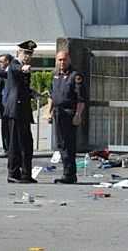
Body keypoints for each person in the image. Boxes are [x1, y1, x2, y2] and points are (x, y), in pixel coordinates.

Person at [47, 50, 86, 184]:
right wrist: (49, 111)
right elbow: (52, 96)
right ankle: (67, 172)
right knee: (61, 144)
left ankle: (69, 174)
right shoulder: (55, 75)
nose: (62, 62)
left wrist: (78, 115)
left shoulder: (75, 76)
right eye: (59, 60)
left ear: (69, 59)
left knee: (68, 145)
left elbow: (81, 99)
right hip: (58, 113)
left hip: (69, 113)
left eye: (64, 59)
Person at [4, 40, 38, 183]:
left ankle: (25, 174)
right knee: (15, 143)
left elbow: (21, 87)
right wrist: (24, 69)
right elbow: (17, 69)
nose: (28, 56)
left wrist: (32, 92)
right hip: (15, 110)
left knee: (26, 143)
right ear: (18, 52)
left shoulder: (23, 66)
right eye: (25, 53)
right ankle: (13, 173)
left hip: (23, 110)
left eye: (30, 54)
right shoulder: (15, 65)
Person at [0, 54, 13, 158]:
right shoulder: (1, 73)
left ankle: (11, 148)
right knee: (4, 127)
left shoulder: (10, 71)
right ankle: (6, 148)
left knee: (10, 127)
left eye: (2, 61)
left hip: (10, 103)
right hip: (3, 103)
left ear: (8, 62)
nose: (0, 64)